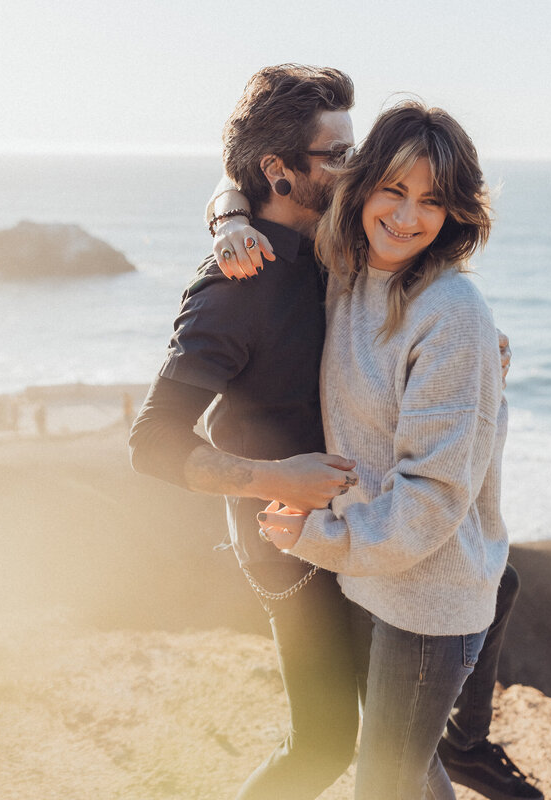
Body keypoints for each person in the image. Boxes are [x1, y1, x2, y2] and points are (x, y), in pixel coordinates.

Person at [210, 99, 540, 800]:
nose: (407, 215)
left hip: (428, 592)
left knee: (385, 787)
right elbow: (249, 173)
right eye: (393, 189)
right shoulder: (350, 271)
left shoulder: (452, 315)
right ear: (362, 190)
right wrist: (229, 217)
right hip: (374, 571)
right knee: (411, 777)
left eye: (432, 200)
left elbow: (431, 499)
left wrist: (319, 533)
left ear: (456, 212)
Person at [130, 65, 362, 799]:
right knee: (325, 742)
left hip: (356, 517)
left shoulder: (329, 232)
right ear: (279, 169)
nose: (355, 168)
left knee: (400, 721)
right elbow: (153, 442)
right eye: (339, 154)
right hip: (285, 535)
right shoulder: (234, 288)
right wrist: (280, 478)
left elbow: (228, 181)